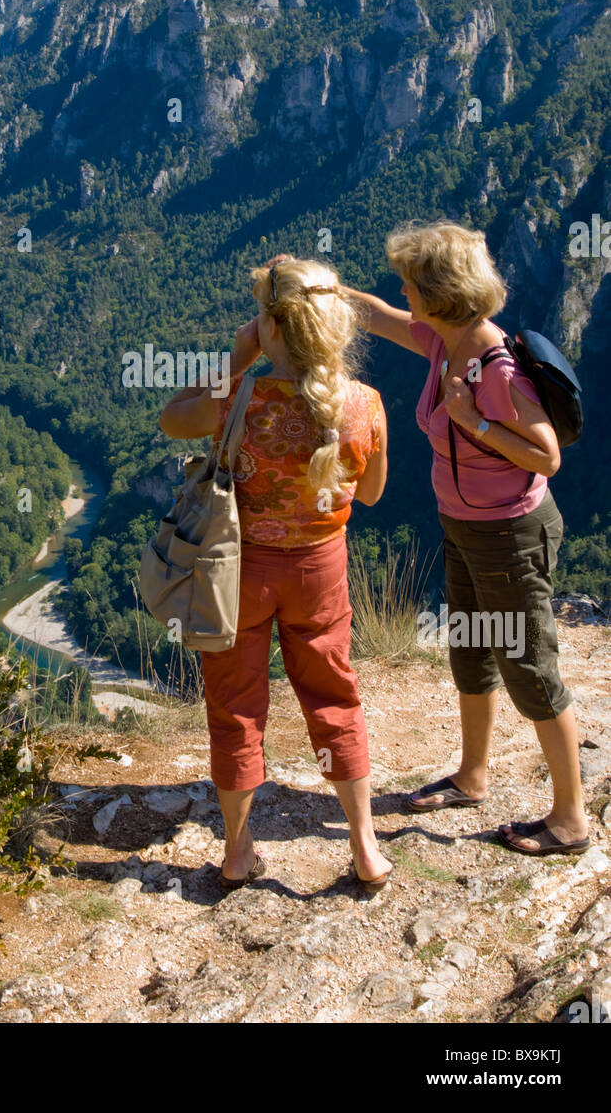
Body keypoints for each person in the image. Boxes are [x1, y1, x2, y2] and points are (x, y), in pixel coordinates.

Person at [341, 220, 589, 857]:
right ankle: (472, 777)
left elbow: (547, 455)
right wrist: (314, 288)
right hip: (465, 525)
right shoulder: (440, 340)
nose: (401, 288)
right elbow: (375, 315)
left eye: (411, 282)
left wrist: (473, 419)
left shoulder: (496, 368)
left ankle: (570, 818)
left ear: (440, 292)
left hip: (510, 534)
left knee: (529, 668)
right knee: (471, 654)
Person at [158, 255, 393, 892]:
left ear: (271, 326)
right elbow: (370, 494)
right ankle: (365, 846)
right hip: (321, 571)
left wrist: (236, 356)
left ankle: (238, 852)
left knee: (235, 708)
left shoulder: (239, 397)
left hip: (238, 572)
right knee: (334, 697)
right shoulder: (364, 404)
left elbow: (171, 416)